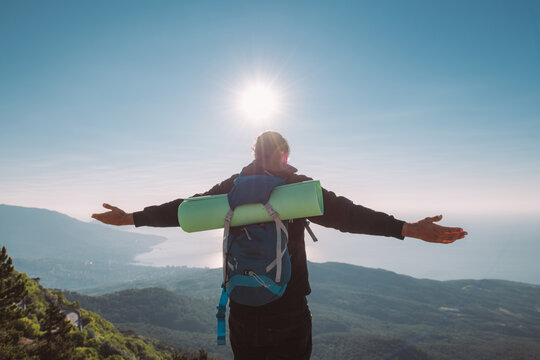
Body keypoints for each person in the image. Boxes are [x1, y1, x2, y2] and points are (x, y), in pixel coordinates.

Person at [92, 131, 467, 360]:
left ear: (254, 152)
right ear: (283, 155)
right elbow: (350, 216)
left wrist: (132, 218)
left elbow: (184, 211)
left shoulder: (232, 188)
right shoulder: (298, 190)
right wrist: (406, 229)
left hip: (240, 307)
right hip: (287, 309)